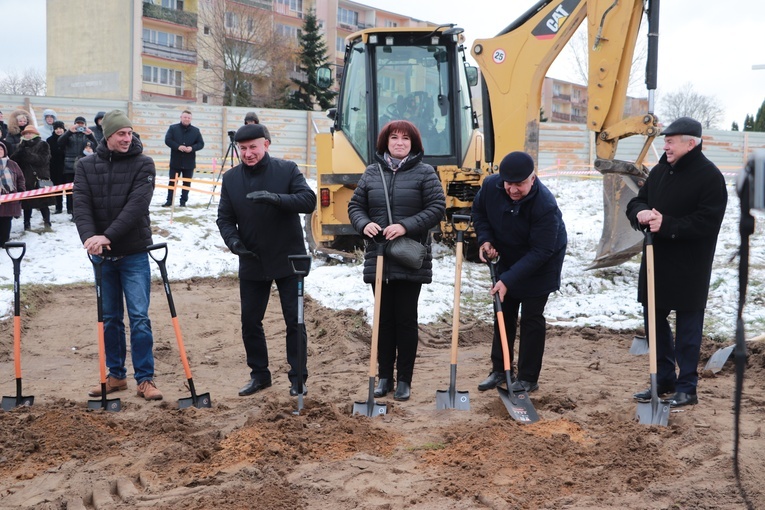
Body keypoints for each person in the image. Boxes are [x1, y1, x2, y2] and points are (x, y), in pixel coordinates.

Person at [626, 117, 727, 407]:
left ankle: (687, 387)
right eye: (665, 140)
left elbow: (708, 222)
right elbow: (637, 201)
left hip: (689, 266)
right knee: (654, 324)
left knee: (687, 329)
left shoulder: (709, 177)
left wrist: (667, 224)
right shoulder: (659, 171)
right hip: (656, 261)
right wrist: (640, 214)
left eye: (671, 141)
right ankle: (664, 379)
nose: (665, 146)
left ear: (691, 143)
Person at [347, 120, 446, 401]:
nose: (399, 142)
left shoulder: (425, 173)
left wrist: (405, 226)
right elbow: (355, 205)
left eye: (405, 138)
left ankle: (404, 380)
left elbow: (437, 207)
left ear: (413, 144)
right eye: (394, 138)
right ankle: (384, 378)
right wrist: (363, 223)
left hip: (407, 256)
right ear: (385, 143)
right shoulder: (371, 172)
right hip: (377, 257)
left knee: (405, 320)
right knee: (383, 321)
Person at [216, 123, 316, 397]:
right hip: (252, 259)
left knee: (294, 320)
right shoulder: (232, 178)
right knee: (250, 321)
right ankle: (259, 375)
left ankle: (298, 379)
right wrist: (234, 242)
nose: (248, 153)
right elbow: (224, 218)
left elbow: (309, 201)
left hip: (288, 259)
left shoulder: (287, 170)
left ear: (266, 145)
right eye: (243, 148)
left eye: (253, 148)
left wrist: (276, 199)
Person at [73, 110, 163, 401]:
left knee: (139, 317)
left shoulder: (143, 164)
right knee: (110, 318)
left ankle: (145, 379)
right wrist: (89, 238)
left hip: (134, 253)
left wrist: (107, 236)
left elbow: (136, 206)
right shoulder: (85, 166)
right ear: (108, 136)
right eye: (121, 133)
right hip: (102, 257)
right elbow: (81, 205)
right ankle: (115, 376)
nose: (127, 138)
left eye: (129, 133)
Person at [471, 151, 567, 394]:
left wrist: (508, 279)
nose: (513, 189)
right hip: (509, 254)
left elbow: (542, 250)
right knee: (504, 312)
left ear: (532, 179)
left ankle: (527, 377)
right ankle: (500, 369)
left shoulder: (545, 205)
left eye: (519, 184)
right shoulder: (491, 186)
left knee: (532, 318)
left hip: (542, 261)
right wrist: (486, 240)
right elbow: (479, 213)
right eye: (509, 184)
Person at [10, 126, 53, 231]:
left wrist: (27, 154)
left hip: (40, 176)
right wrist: (19, 152)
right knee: (27, 203)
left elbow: (43, 160)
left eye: (30, 133)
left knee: (43, 202)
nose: (28, 135)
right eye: (26, 134)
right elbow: (13, 162)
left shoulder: (43, 144)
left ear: (35, 134)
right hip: (26, 178)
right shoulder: (21, 146)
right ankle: (26, 224)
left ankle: (47, 223)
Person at [163, 110, 204, 207]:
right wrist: (177, 146)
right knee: (172, 182)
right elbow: (168, 140)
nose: (187, 119)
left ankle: (183, 202)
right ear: (181, 117)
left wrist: (192, 148)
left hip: (189, 162)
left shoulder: (196, 131)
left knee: (186, 183)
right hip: (175, 161)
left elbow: (201, 144)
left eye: (188, 118)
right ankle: (169, 201)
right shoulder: (173, 128)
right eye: (185, 117)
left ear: (191, 119)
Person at [58, 116, 97, 215]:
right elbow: (60, 142)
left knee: (81, 191)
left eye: (82, 124)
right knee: (70, 191)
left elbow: (97, 146)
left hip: (84, 166)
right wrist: (69, 132)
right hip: (69, 166)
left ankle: (79, 211)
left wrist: (91, 135)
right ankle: (70, 210)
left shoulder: (88, 135)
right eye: (78, 123)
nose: (80, 126)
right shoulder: (69, 135)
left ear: (85, 125)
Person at [0, 141, 26, 246]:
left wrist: (21, 191)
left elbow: (20, 178)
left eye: (1, 149)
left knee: (6, 221)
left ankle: (4, 242)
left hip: (9, 199)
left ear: (5, 151)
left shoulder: (12, 164)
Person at [46, 120, 67, 214]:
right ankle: (58, 207)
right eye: (56, 129)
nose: (58, 130)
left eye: (60, 128)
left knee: (69, 189)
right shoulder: (49, 140)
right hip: (55, 167)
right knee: (57, 189)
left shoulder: (68, 138)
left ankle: (70, 208)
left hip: (67, 166)